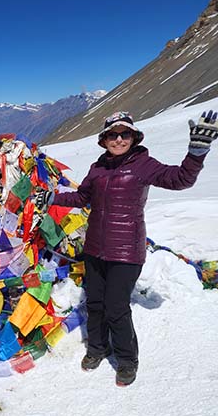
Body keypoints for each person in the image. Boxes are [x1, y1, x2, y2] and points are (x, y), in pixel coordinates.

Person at [37, 110, 217, 386]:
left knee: (116, 306)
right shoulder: (98, 167)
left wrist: (195, 155)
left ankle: (127, 360)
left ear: (134, 137)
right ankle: (97, 349)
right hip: (95, 248)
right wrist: (54, 199)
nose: (119, 139)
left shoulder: (144, 164)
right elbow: (83, 196)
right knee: (95, 302)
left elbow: (180, 179)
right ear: (104, 139)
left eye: (125, 134)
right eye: (113, 134)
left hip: (127, 251)